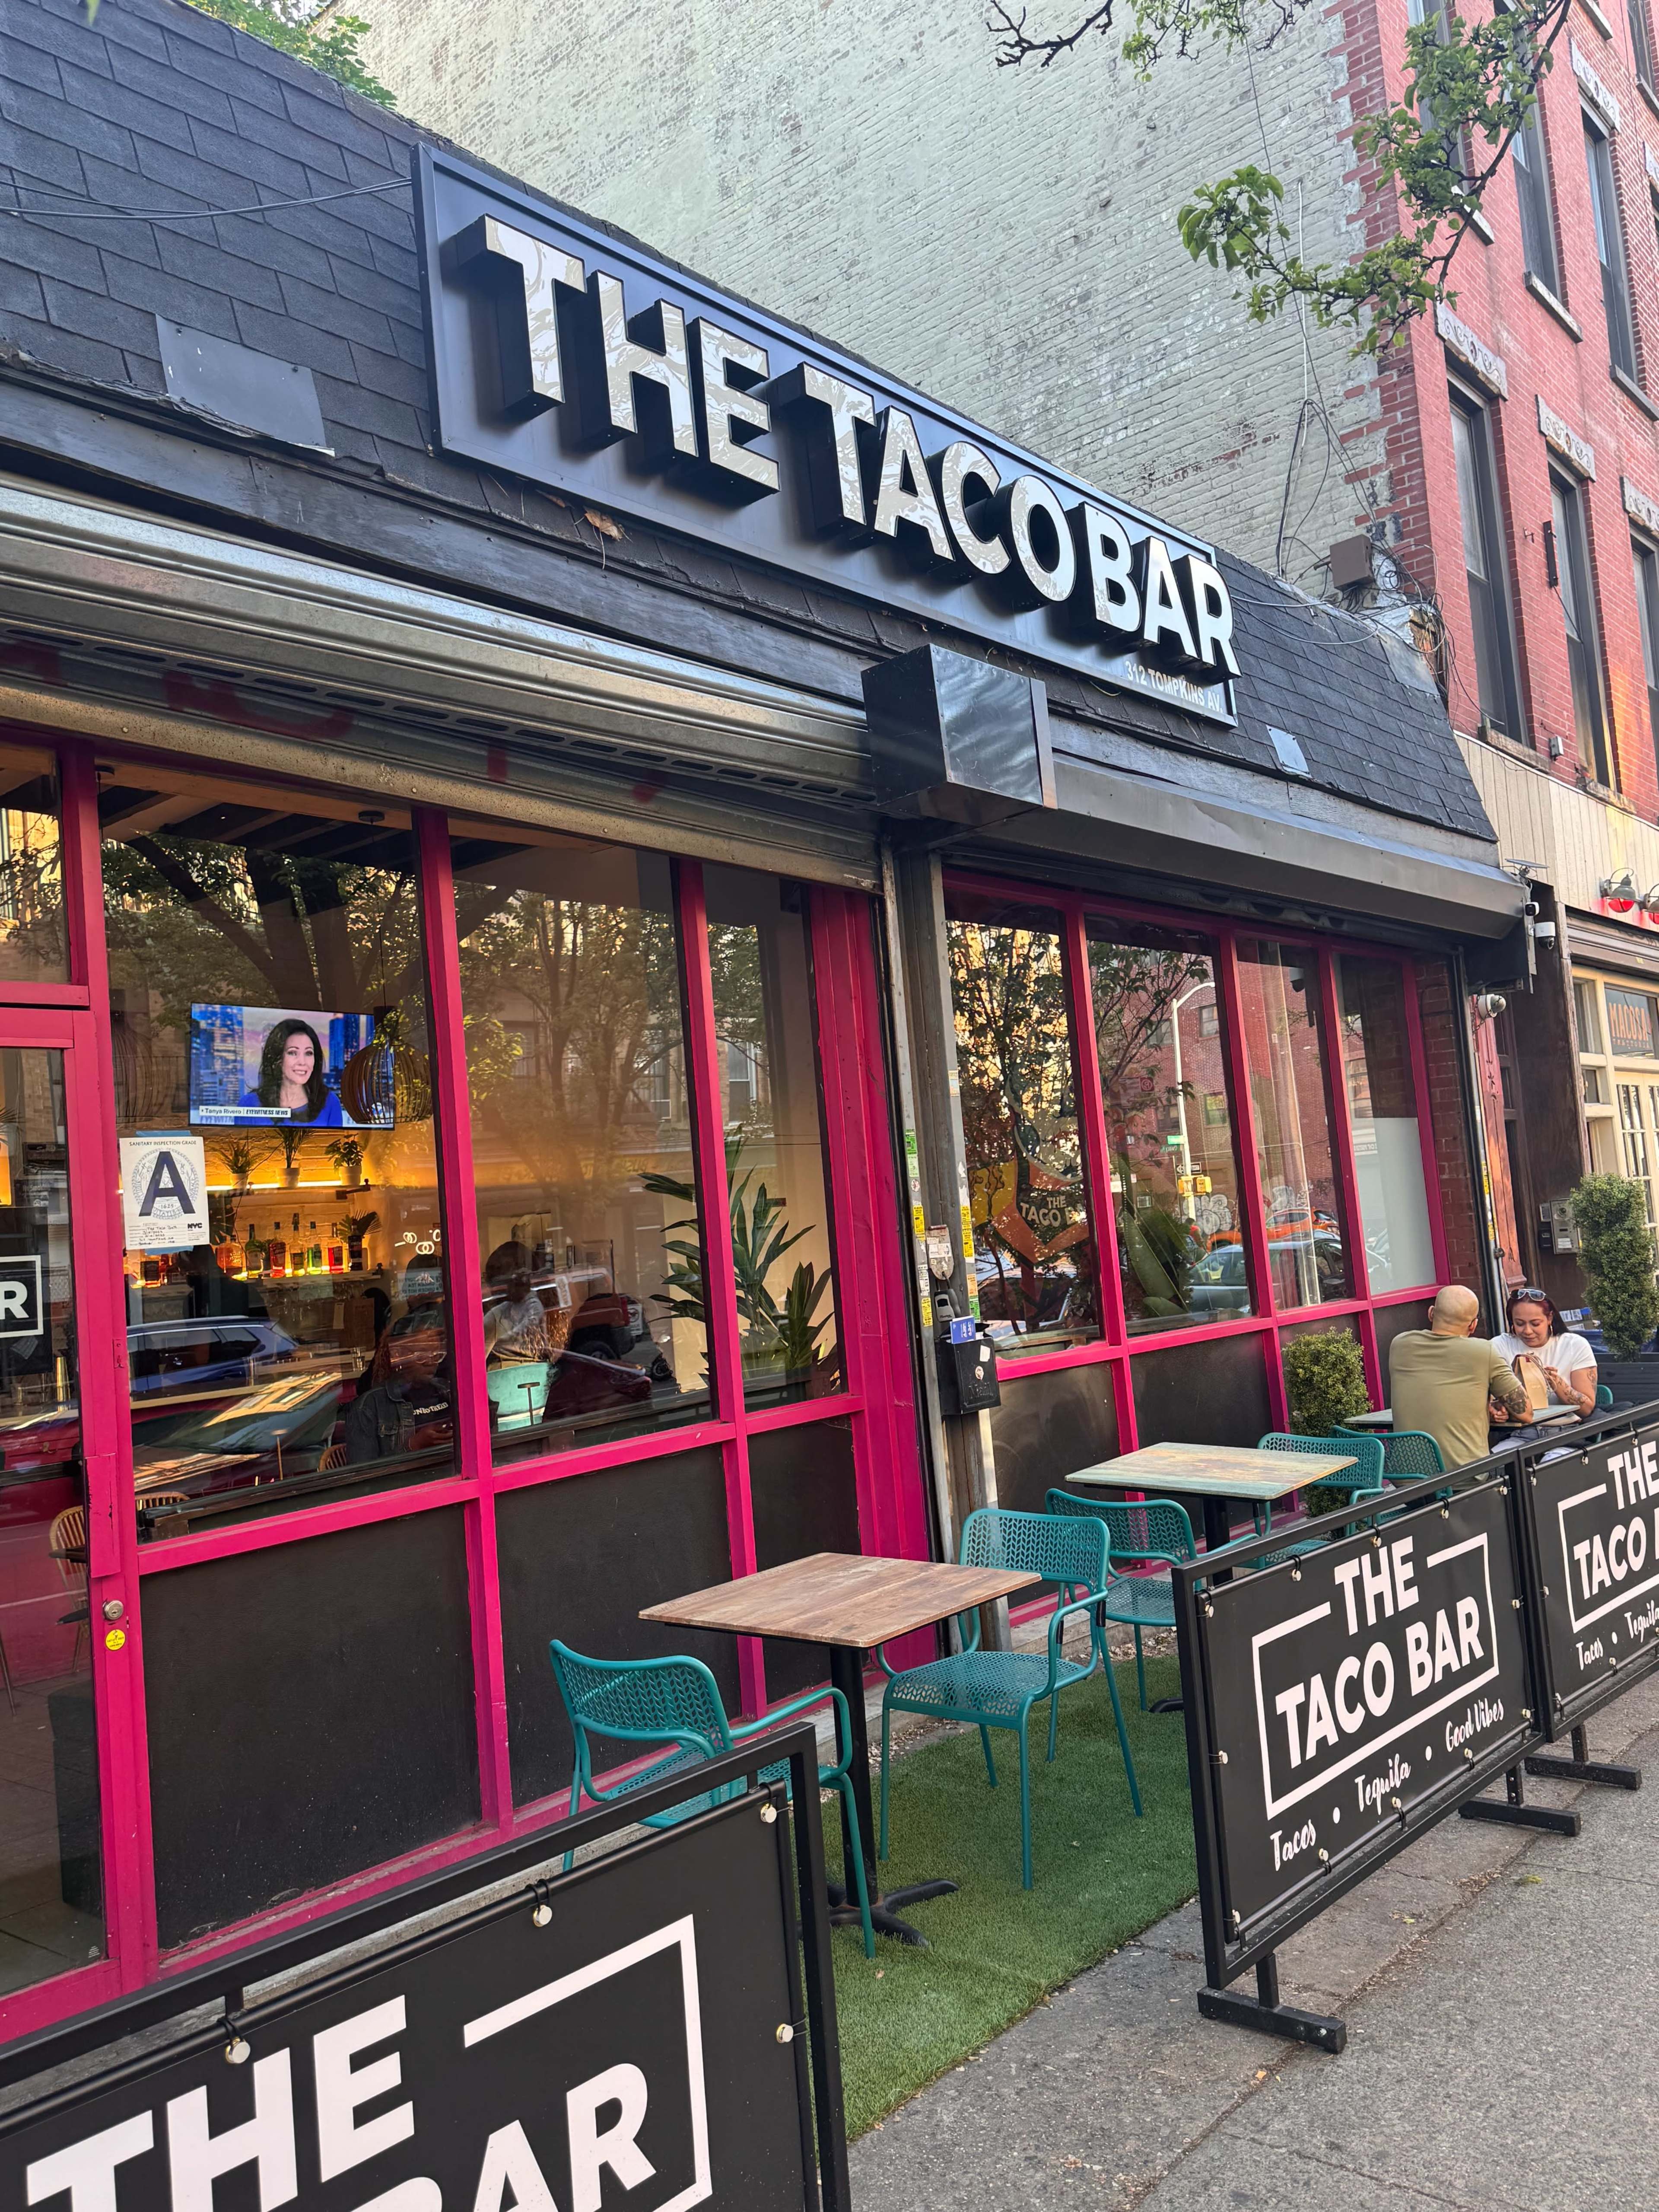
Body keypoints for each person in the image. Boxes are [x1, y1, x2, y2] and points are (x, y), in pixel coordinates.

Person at [1389, 1284, 1529, 1469]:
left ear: (1431, 1313)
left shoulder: (1400, 1345)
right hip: (1463, 1476)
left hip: (1407, 1479)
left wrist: (1481, 1407)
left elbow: (1436, 1391)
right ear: (1473, 1325)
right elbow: (1525, 1413)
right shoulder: (1483, 1351)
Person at [1491, 1286, 1598, 1422]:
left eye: (1535, 1324)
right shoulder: (1499, 1345)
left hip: (1566, 1429)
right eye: (1520, 1324)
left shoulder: (1574, 1345)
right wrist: (1495, 1409)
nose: (1528, 1331)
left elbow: (1587, 1409)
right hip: (1518, 1432)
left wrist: (1558, 1384)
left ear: (1550, 1318)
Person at [238, 1018, 343, 1126]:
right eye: (293, 1053)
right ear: (277, 1059)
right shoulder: (249, 1104)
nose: (302, 1062)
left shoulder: (331, 1103)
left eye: (309, 1053)